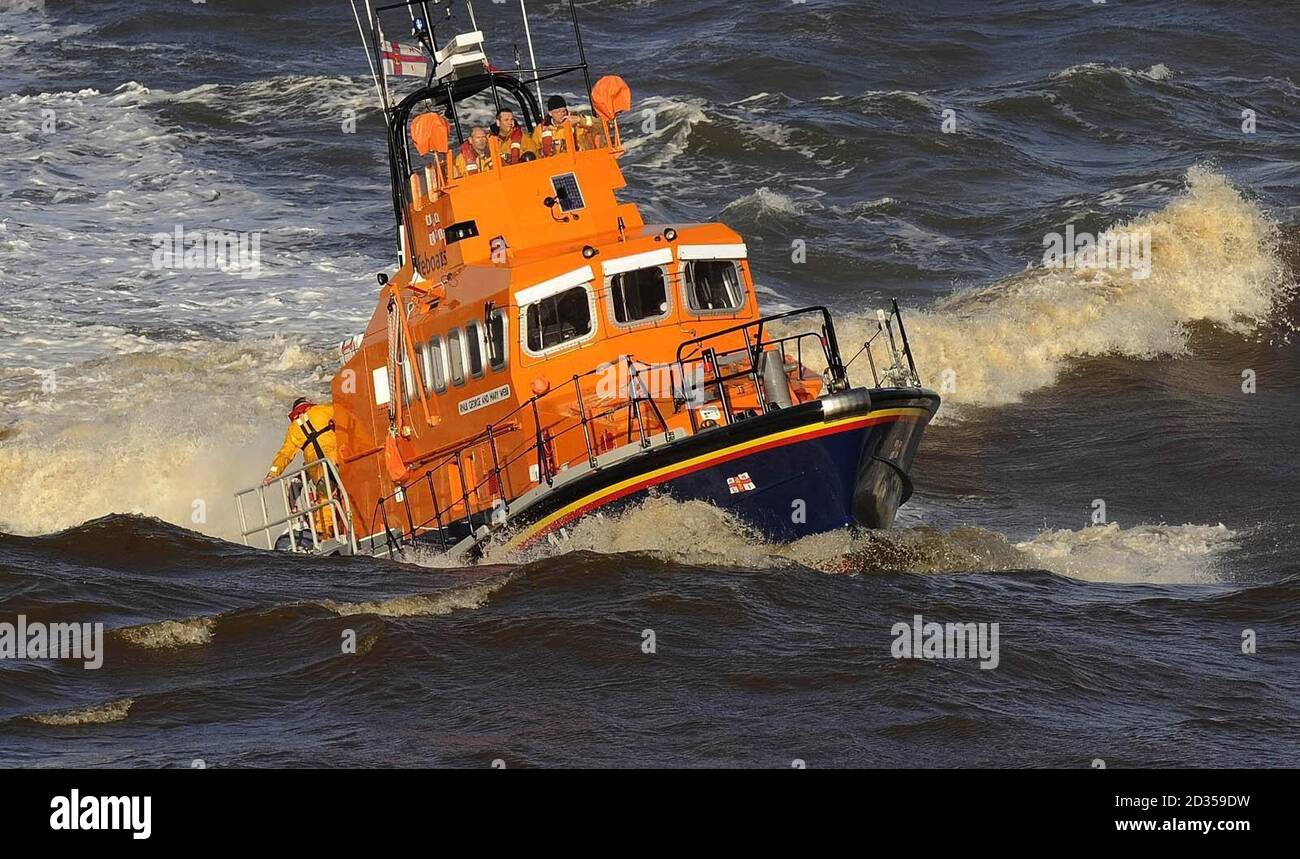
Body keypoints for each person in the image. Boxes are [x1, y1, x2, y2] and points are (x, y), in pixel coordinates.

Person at [264, 398, 342, 540]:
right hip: (338, 459)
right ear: (308, 403)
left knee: (325, 500)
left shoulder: (293, 429)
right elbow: (347, 414)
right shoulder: (322, 410)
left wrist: (272, 474)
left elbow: (285, 454)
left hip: (318, 470)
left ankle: (325, 537)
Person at [533, 95, 605, 157]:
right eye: (557, 112)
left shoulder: (577, 123)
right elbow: (534, 150)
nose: (562, 114)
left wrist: (581, 120)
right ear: (550, 113)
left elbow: (601, 126)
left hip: (579, 160)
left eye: (563, 111)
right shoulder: (540, 129)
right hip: (552, 165)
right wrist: (543, 151)